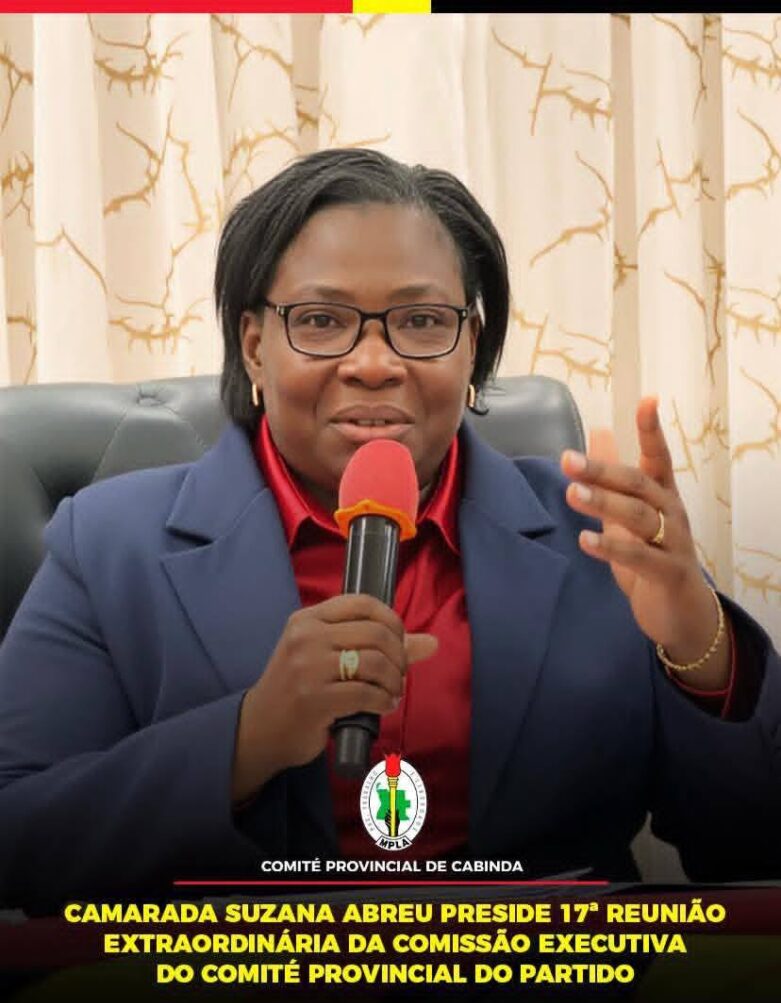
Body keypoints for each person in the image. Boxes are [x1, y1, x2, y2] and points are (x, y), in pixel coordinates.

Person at [0, 148, 779, 914]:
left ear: (471, 347)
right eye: (320, 320)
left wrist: (696, 641)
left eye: (421, 321)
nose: (373, 363)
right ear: (253, 347)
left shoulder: (599, 532)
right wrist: (246, 739)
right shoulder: (109, 543)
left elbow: (749, 846)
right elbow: (18, 842)